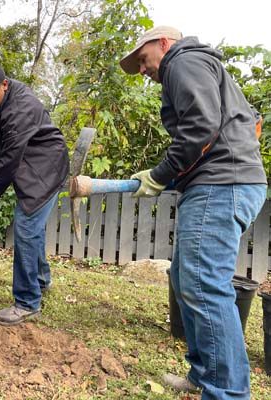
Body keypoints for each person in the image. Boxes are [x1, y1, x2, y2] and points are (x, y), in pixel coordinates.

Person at [120, 26, 267, 399]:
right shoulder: (204, 67)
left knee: (204, 286)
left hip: (221, 187)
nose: (143, 70)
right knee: (189, 281)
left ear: (164, 44)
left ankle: (228, 392)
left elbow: (201, 127)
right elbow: (252, 125)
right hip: (221, 183)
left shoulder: (181, 61)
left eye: (143, 59)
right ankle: (206, 374)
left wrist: (160, 174)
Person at [0, 63, 69, 326]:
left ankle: (27, 301)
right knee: (33, 229)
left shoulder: (20, 108)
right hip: (31, 164)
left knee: (26, 227)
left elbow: (11, 159)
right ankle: (41, 280)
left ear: (4, 84)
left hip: (45, 168)